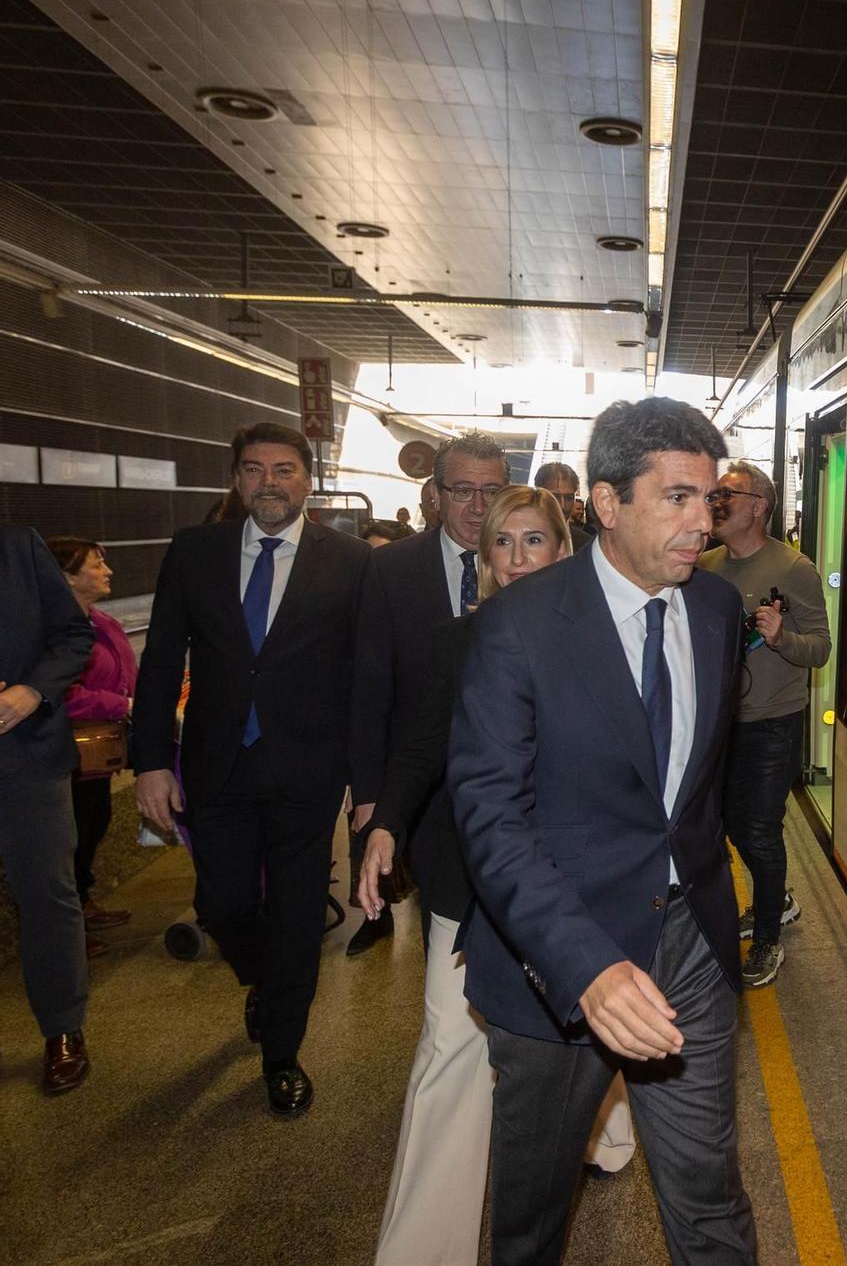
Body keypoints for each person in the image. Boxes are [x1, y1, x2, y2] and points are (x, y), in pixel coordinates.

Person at [450, 398, 777, 1266]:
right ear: (604, 502)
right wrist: (586, 967)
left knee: (708, 1192)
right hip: (560, 967)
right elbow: (492, 821)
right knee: (536, 1196)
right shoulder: (517, 629)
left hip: (689, 949)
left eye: (709, 500)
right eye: (676, 498)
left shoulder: (716, 612)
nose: (700, 523)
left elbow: (688, 793)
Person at [353, 486, 632, 1266]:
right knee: (451, 1055)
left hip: (581, 891)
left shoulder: (610, 640)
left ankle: (603, 1136)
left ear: (566, 548)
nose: (516, 556)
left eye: (535, 540)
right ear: (485, 562)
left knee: (594, 1034)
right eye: (502, 543)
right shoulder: (461, 641)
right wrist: (387, 822)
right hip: (470, 891)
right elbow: (421, 744)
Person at [132, 422, 370, 1116]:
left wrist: (368, 783)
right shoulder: (195, 552)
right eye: (257, 470)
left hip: (308, 769)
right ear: (237, 481)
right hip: (217, 765)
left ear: (307, 480)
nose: (271, 481)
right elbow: (160, 662)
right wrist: (150, 759)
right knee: (224, 904)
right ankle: (269, 982)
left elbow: (366, 674)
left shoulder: (351, 561)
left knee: (298, 915)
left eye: (286, 469)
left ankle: (281, 1054)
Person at [347, 430, 510, 958]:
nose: (479, 506)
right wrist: (371, 795)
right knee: (439, 921)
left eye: (492, 491)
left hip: (507, 781)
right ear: (435, 493)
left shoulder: (530, 567)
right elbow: (370, 685)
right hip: (420, 782)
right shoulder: (390, 568)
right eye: (463, 490)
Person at [700, 459, 831, 988]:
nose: (715, 503)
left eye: (726, 494)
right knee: (731, 825)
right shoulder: (706, 564)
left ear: (758, 505)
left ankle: (770, 934)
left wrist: (780, 639)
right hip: (718, 721)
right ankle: (777, 898)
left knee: (758, 828)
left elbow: (821, 648)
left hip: (773, 721)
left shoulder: (792, 567)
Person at [0, 525, 96, 1094]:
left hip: (26, 755)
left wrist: (31, 691)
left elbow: (72, 637)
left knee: (47, 894)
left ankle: (63, 1028)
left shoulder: (18, 546)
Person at [44, 537, 137, 939]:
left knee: (94, 822)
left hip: (99, 752)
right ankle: (67, 926)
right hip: (64, 751)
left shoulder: (101, 621)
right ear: (67, 577)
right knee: (70, 834)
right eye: (97, 565)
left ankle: (83, 902)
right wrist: (119, 704)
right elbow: (62, 693)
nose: (108, 572)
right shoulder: (50, 630)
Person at [534, 460, 593, 543]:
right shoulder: (521, 537)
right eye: (555, 497)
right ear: (538, 496)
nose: (563, 506)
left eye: (569, 498)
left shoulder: (586, 544)